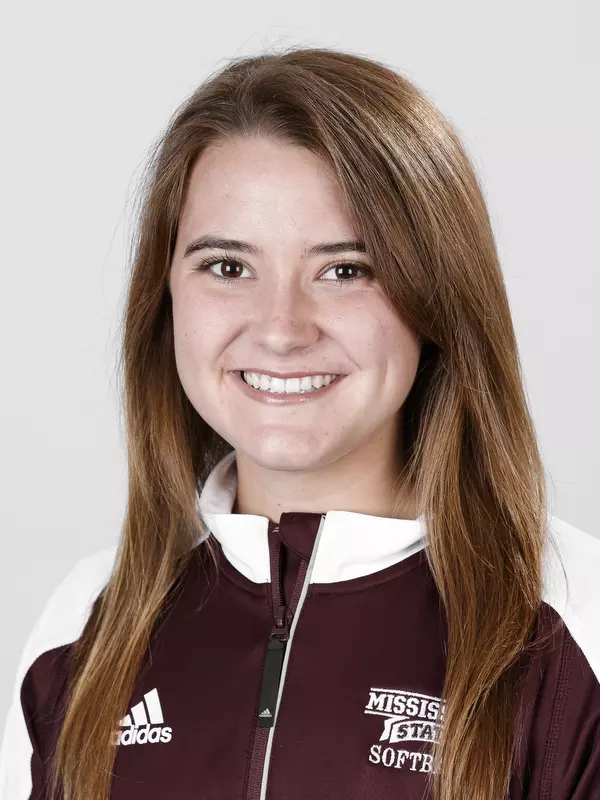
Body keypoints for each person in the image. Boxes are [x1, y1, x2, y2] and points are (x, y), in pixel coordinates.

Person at [1, 45, 599, 800]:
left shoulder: (576, 621)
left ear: (438, 298)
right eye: (228, 267)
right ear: (166, 296)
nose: (281, 329)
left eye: (345, 270)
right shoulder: (84, 623)